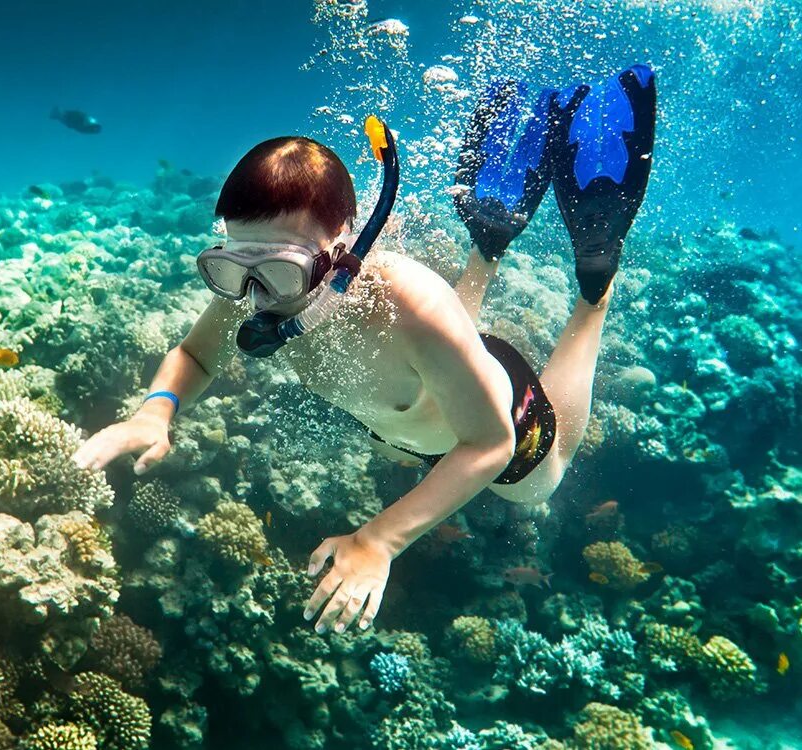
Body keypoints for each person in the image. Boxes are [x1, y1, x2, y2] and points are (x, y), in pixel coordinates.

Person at [73, 65, 657, 635]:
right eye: (230, 267)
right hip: (423, 396)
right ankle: (490, 236)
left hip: (500, 419)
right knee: (423, 400)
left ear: (342, 249)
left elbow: (491, 444)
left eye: (280, 271)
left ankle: (596, 282)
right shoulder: (259, 279)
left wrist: (380, 540)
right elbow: (196, 354)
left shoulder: (414, 302)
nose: (254, 298)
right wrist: (155, 411)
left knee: (538, 488)